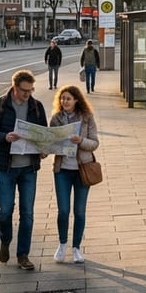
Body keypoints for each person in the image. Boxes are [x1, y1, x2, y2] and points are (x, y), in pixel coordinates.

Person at [0, 70, 47, 271]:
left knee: (27, 213)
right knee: (6, 211)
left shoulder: (36, 106)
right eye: (24, 91)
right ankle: (5, 240)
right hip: (5, 168)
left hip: (28, 168)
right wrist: (4, 137)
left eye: (31, 90)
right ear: (15, 88)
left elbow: (44, 133)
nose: (28, 95)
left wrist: (44, 149)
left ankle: (23, 255)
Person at [49, 85, 99, 264]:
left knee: (79, 211)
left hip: (82, 169)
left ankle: (76, 247)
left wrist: (81, 141)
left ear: (76, 100)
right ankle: (62, 244)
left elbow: (94, 143)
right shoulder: (56, 118)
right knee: (63, 210)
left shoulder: (86, 118)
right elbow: (50, 141)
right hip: (62, 170)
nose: (65, 102)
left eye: (68, 98)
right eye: (62, 98)